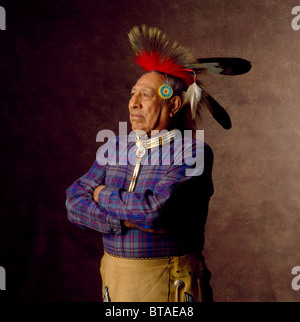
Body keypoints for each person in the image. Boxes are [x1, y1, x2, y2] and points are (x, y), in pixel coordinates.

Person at [65, 25, 251, 302]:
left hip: (172, 286)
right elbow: (73, 204)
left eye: (146, 95)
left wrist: (100, 193)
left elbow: (155, 212)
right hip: (115, 285)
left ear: (173, 106)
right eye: (132, 94)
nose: (133, 103)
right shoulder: (114, 148)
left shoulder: (192, 152)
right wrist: (124, 220)